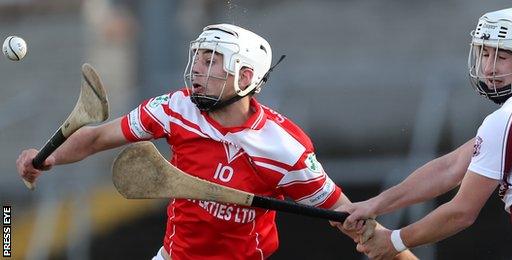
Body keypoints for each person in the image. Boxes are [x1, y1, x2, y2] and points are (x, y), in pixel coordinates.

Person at [16, 24, 417, 260]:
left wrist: (392, 246)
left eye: (212, 62)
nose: (197, 72)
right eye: (198, 59)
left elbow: (346, 216)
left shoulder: (285, 148)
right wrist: (47, 158)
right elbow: (98, 137)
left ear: (245, 76)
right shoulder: (177, 108)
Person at [337, 7, 512, 260]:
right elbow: (451, 166)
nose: (488, 66)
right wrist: (374, 204)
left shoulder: (511, 117)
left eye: (502, 56)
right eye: (484, 52)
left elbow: (461, 213)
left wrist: (394, 241)